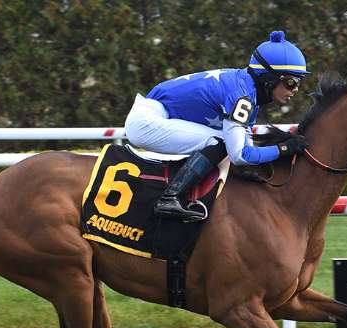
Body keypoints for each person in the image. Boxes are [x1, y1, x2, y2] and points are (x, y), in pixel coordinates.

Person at [124, 30, 310, 222]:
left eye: (299, 82)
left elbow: (244, 149)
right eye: (291, 81)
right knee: (219, 141)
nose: (295, 89)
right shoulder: (243, 97)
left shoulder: (248, 89)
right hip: (146, 122)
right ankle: (170, 198)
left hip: (155, 113)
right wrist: (283, 149)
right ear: (269, 78)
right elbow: (241, 155)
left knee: (223, 141)